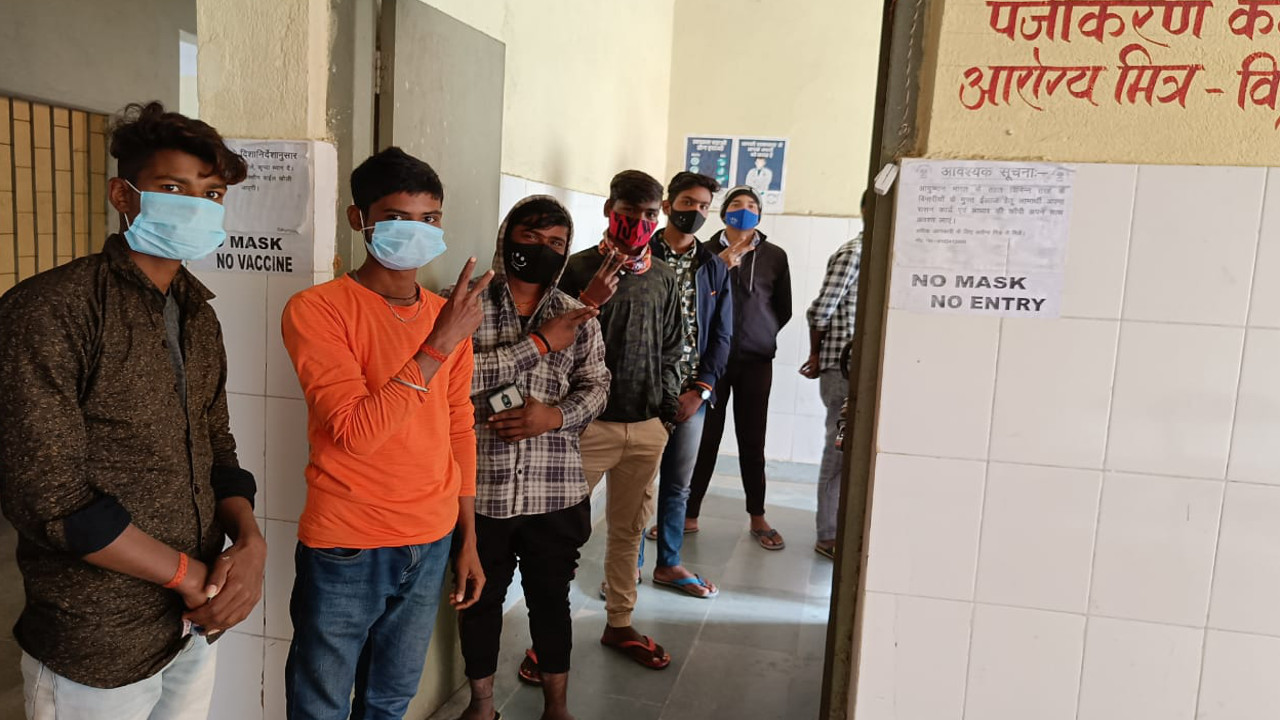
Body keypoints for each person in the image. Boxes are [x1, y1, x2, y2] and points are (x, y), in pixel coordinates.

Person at [0, 101, 263, 719]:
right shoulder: (52, 310)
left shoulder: (198, 316)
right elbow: (48, 496)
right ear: (124, 195)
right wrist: (190, 577)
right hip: (97, 640)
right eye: (173, 188)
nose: (196, 206)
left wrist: (251, 543)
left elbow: (217, 445)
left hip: (192, 628)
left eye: (212, 194)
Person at [281, 147, 490, 719]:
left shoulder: (447, 316)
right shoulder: (318, 309)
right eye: (397, 217)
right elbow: (355, 431)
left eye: (430, 218)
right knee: (320, 706)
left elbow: (458, 425)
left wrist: (467, 537)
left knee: (390, 702)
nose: (417, 231)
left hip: (432, 537)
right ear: (360, 219)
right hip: (348, 544)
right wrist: (438, 344)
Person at [455, 195, 610, 720]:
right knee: (479, 600)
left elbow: (597, 387)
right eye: (531, 237)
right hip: (481, 490)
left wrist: (555, 417)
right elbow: (451, 377)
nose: (543, 249)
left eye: (556, 242)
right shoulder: (462, 305)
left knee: (550, 601)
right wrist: (539, 344)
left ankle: (556, 707)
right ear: (507, 237)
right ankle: (481, 705)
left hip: (555, 490)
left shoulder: (578, 316)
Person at [555, 169, 682, 671]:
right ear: (610, 210)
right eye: (630, 213)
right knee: (562, 534)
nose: (640, 223)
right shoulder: (576, 268)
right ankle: (549, 639)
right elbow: (555, 341)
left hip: (646, 428)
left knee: (629, 530)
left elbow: (672, 347)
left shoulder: (663, 276)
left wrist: (665, 414)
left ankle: (620, 622)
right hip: (587, 428)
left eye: (650, 214)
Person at [639, 172, 733, 599]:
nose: (695, 212)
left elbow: (722, 336)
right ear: (667, 206)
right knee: (636, 486)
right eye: (688, 203)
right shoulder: (639, 255)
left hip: (690, 394)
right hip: (640, 391)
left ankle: (669, 563)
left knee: (677, 485)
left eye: (703, 207)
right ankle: (626, 567)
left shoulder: (713, 267)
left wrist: (701, 390)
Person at [685, 185, 792, 550]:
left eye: (751, 205)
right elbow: (692, 300)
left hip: (756, 361)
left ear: (760, 214)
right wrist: (721, 263)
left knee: (752, 440)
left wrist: (760, 333)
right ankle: (689, 514)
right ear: (723, 212)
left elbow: (783, 308)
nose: (744, 210)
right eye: (736, 204)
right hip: (710, 363)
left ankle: (757, 516)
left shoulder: (775, 256)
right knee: (704, 440)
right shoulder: (703, 252)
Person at [800, 190, 868, 560]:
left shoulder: (878, 253)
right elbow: (821, 310)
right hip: (841, 369)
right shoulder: (854, 253)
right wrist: (816, 354)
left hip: (859, 368)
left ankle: (840, 527)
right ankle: (827, 534)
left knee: (850, 450)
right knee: (838, 449)